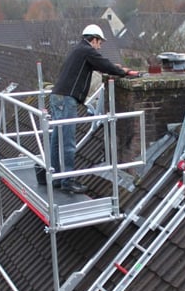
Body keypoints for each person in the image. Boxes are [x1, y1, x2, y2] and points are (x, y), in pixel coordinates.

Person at [48, 24, 138, 193]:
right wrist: (122, 72)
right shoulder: (87, 50)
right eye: (99, 43)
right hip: (67, 99)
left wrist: (114, 67)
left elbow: (98, 64)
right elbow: (104, 65)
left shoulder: (79, 50)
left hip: (57, 96)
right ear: (94, 39)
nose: (100, 46)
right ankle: (68, 181)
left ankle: (56, 177)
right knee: (67, 141)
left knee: (56, 139)